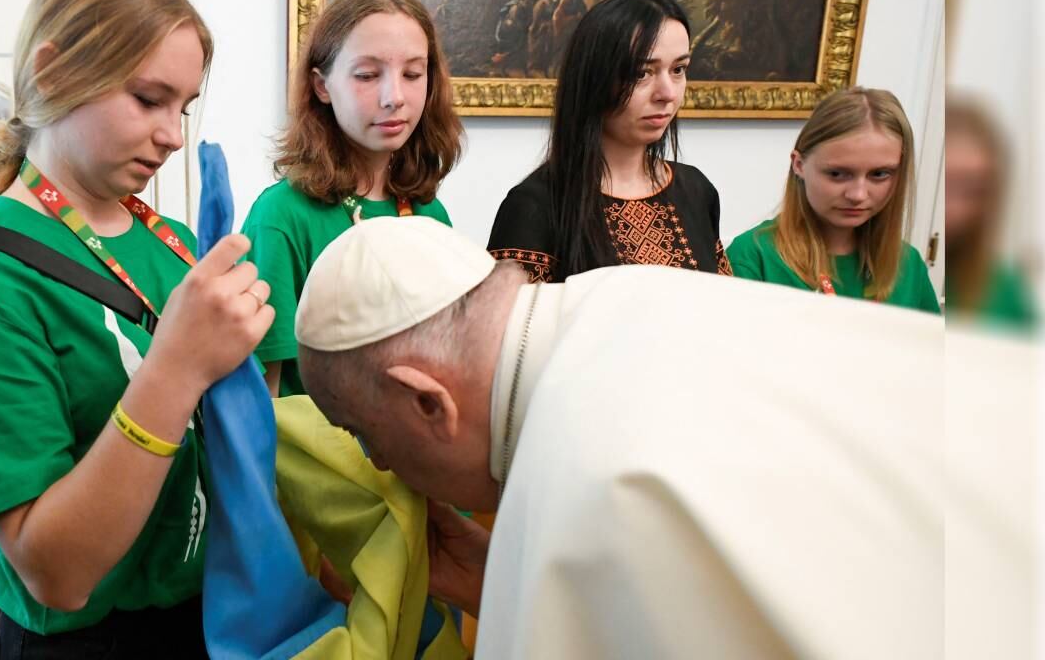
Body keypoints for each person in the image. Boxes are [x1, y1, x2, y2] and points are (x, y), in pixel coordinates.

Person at [294, 216, 942, 659]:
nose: (377, 460)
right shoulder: (625, 293)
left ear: (427, 401)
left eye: (363, 432)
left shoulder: (597, 477)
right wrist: (497, 576)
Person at [0, 0, 273, 657]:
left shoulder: (167, 241)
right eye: (148, 98)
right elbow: (58, 574)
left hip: (215, 610)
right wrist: (175, 368)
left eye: (184, 107)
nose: (173, 134)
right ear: (52, 73)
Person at [242, 0, 463, 398]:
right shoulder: (283, 216)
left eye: (413, 74)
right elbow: (262, 400)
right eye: (367, 75)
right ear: (322, 86)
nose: (394, 96)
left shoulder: (431, 214)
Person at [489, 0, 732, 282]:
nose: (667, 93)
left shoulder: (696, 190)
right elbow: (514, 325)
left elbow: (721, 314)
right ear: (594, 78)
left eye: (678, 69)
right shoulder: (535, 206)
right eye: (642, 73)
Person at [727, 87, 940, 313]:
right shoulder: (752, 257)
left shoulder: (908, 263)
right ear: (799, 165)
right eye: (837, 174)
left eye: (879, 174)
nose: (858, 195)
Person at [944, 98, 1037, 329]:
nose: (955, 208)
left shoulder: (1005, 290)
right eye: (948, 185)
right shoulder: (907, 270)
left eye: (974, 191)